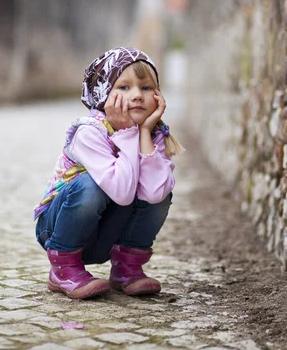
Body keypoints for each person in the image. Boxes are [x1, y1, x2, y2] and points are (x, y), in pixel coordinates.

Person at [33, 47, 184, 300]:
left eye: (146, 88)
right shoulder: (89, 132)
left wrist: (144, 132)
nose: (136, 95)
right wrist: (126, 133)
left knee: (162, 191)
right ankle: (63, 270)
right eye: (123, 87)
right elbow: (123, 194)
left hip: (105, 236)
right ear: (104, 93)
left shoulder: (154, 135)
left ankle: (127, 269)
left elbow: (155, 193)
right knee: (89, 185)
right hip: (58, 231)